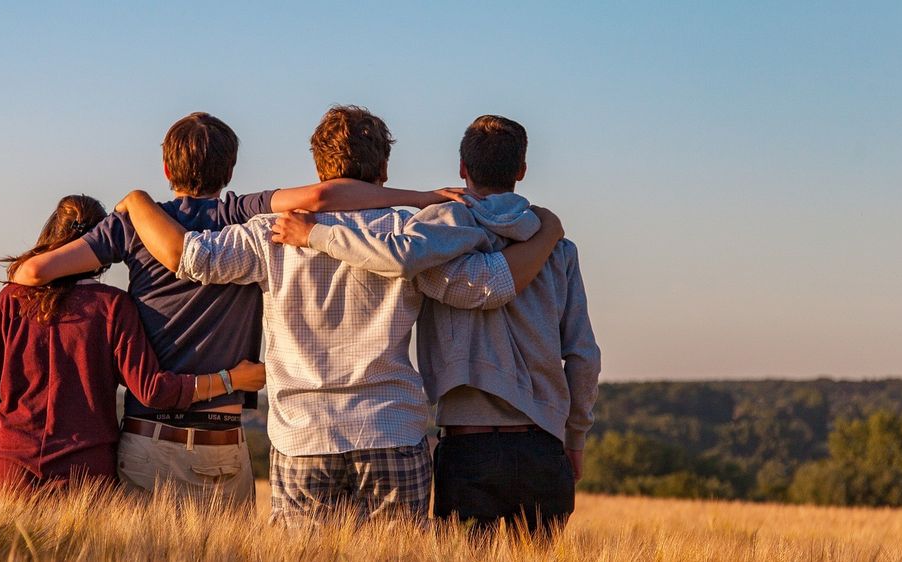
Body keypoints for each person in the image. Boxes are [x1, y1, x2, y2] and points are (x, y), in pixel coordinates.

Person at [116, 105, 565, 526]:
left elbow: (191, 257)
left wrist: (137, 202)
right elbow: (486, 287)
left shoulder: (269, 233)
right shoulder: (409, 235)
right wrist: (547, 234)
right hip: (391, 429)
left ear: (318, 169)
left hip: (302, 437)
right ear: (384, 171)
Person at [8, 112, 470, 506]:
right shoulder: (242, 213)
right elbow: (322, 197)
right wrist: (423, 198)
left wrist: (132, 204)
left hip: (149, 436)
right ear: (230, 170)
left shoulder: (133, 225)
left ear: (167, 168)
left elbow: (31, 275)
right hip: (223, 441)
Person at [272, 115, 600, 537]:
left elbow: (398, 257)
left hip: (468, 447)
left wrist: (316, 234)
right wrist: (575, 438)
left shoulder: (435, 234)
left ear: (462, 168)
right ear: (521, 170)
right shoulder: (558, 248)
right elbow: (583, 356)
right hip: (544, 445)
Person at [0, 194, 266, 496]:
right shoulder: (113, 306)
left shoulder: (12, 299)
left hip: (7, 476)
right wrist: (231, 379)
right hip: (84, 483)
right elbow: (152, 390)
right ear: (101, 246)